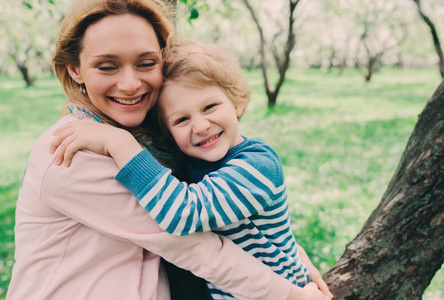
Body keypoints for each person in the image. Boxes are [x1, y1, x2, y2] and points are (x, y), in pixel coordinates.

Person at [6, 0, 332, 299]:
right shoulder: (72, 151)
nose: (131, 84)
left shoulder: (153, 137)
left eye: (146, 62)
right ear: (75, 69)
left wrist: (295, 261)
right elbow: (188, 243)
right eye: (107, 66)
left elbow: (231, 211)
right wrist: (292, 294)